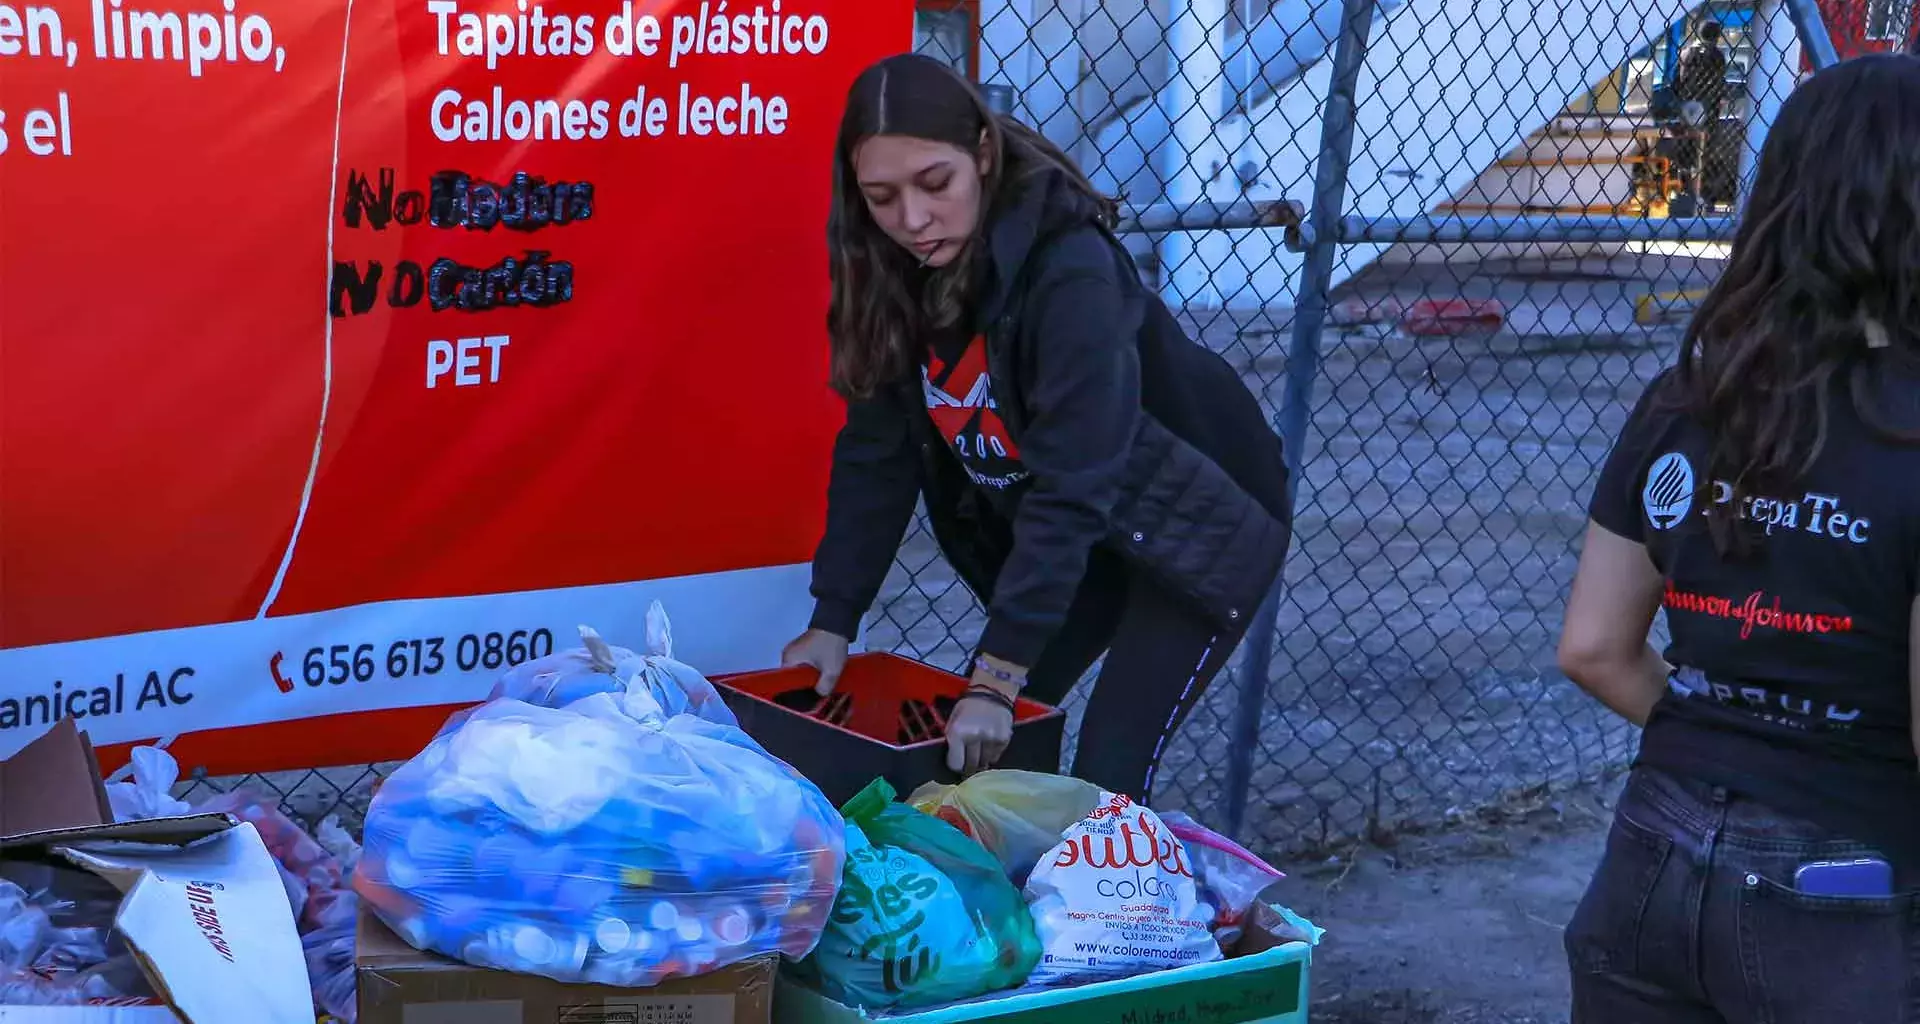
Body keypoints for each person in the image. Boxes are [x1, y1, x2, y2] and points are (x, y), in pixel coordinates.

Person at [779, 53, 1292, 802]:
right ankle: (1013, 910)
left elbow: (1074, 481)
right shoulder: (894, 275)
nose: (912, 221)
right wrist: (834, 618)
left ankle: (1125, 913)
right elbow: (876, 457)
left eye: (935, 183)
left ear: (982, 155)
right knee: (987, 751)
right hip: (1091, 533)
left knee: (1110, 768)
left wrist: (998, 674)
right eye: (881, 197)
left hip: (1202, 521)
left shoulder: (1070, 271)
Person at [1557, 54, 1920, 1023]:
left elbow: (1593, 648)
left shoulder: (1689, 396)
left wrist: (1730, 738)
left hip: (1647, 858)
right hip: (1844, 885)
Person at [1670, 19, 1728, 208]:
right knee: (1706, 153)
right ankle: (1703, 196)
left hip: (1687, 108)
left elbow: (1675, 83)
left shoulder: (1686, 53)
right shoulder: (1717, 56)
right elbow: (1719, 86)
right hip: (1708, 110)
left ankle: (1683, 191)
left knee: (1685, 152)